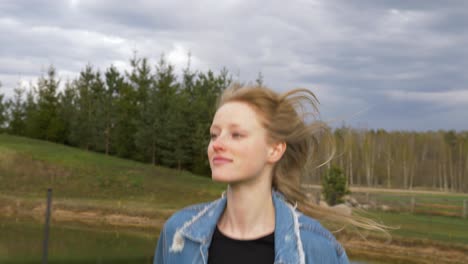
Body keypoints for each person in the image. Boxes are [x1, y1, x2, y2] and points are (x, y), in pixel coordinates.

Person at [154, 84, 384, 264]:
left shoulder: (317, 248)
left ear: (274, 149)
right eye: (214, 135)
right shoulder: (179, 233)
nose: (217, 144)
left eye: (236, 135)